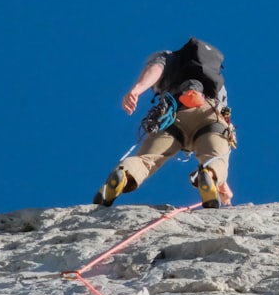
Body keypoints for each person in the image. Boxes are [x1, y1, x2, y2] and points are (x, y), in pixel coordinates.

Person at [93, 38, 235, 208]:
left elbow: (156, 69)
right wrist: (220, 182)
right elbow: (221, 126)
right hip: (211, 115)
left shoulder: (169, 58)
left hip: (173, 116)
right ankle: (210, 175)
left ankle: (124, 174)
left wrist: (136, 90)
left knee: (147, 159)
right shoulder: (216, 81)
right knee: (215, 157)